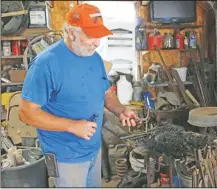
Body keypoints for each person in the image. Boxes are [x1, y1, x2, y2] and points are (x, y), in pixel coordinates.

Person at [19, 3, 140, 187]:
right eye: (91, 36)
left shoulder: (94, 57)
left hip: (92, 149)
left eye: (98, 36)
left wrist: (120, 110)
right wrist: (71, 126)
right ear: (71, 33)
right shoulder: (46, 64)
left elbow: (106, 92)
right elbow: (26, 113)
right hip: (65, 155)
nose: (97, 42)